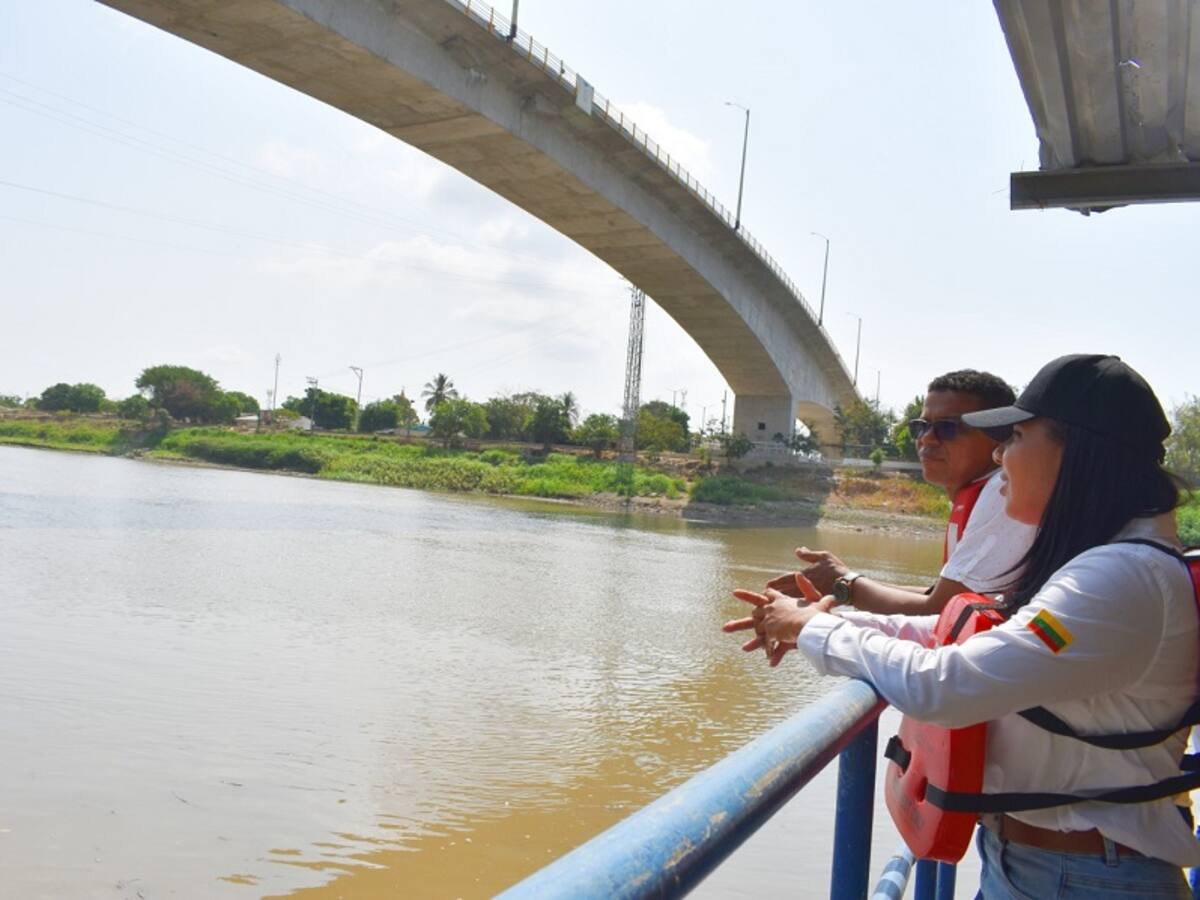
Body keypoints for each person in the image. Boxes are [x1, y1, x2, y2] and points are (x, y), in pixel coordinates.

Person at [725, 354, 1199, 897]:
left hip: (1085, 879)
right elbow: (956, 632)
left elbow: (946, 683)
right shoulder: (1104, 562)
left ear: (1077, 453)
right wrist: (825, 618)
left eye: (1016, 437)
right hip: (1043, 866)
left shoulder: (1120, 579)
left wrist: (815, 631)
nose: (1001, 456)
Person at [768, 370, 1036, 614]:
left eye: (947, 428)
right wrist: (843, 584)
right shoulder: (976, 494)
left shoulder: (1001, 491)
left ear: (997, 434)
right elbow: (938, 596)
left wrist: (844, 583)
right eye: (921, 426)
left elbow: (940, 610)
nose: (927, 438)